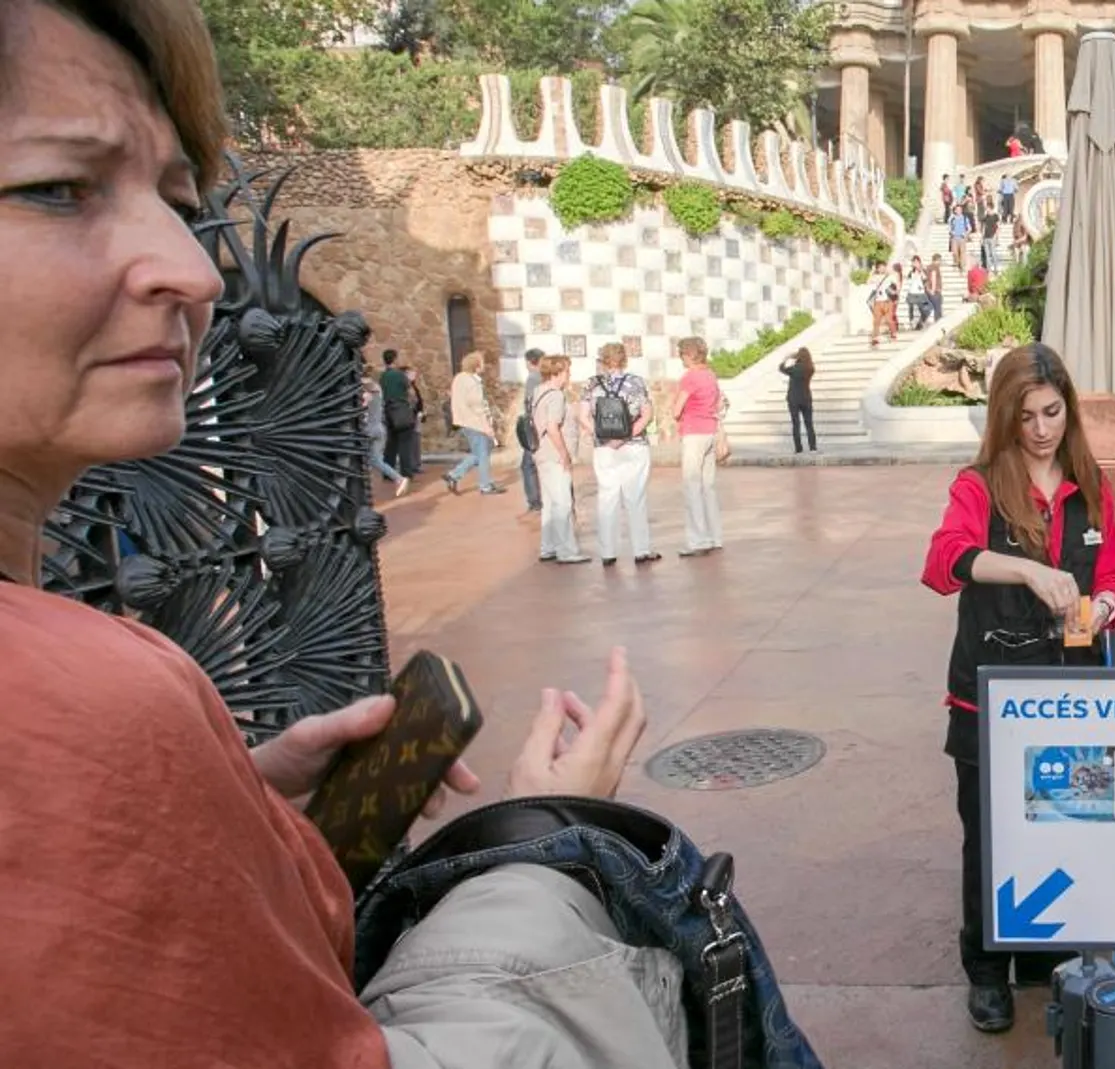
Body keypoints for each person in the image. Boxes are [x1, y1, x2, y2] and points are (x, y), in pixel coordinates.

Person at [0, 2, 668, 1064]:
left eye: (179, 199)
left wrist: (243, 812)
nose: (195, 268)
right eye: (55, 189)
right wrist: (545, 839)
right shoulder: (67, 694)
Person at [922, 344, 1115, 1036]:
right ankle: (987, 971)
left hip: (1070, 695)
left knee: (1061, 829)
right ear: (1003, 416)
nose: (1040, 428)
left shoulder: (1089, 482)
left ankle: (1045, 961)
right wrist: (1025, 570)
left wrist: (1101, 607)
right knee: (989, 837)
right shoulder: (979, 483)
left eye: (1051, 411)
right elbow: (943, 560)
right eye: (1025, 415)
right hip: (989, 697)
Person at [581, 342, 658, 566]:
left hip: (604, 448)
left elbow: (583, 417)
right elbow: (647, 414)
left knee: (607, 498)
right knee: (635, 498)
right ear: (624, 359)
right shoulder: (635, 382)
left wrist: (603, 437)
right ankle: (641, 550)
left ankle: (608, 553)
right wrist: (625, 436)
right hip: (634, 445)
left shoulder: (591, 384)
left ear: (602, 360)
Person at [529, 355, 588, 564]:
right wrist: (564, 454)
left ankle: (549, 546)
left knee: (550, 503)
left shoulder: (538, 392)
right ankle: (567, 550)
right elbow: (553, 427)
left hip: (541, 454)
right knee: (562, 503)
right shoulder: (555, 396)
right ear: (557, 373)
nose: (569, 375)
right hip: (553, 456)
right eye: (566, 371)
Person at [671, 337, 725, 557]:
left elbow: (676, 410)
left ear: (688, 354)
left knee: (692, 485)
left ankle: (697, 540)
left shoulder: (690, 378)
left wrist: (676, 410)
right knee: (708, 486)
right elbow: (719, 403)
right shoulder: (710, 375)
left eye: (682, 354)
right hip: (710, 431)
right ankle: (714, 536)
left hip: (693, 432)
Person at [444, 351, 501, 495]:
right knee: (482, 455)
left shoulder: (459, 378)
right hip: (475, 423)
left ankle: (454, 475)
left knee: (479, 454)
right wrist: (487, 427)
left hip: (464, 421)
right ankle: (485, 486)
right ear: (476, 366)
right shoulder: (472, 382)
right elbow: (478, 407)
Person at [378, 348, 421, 479]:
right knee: (405, 442)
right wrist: (413, 404)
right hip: (401, 409)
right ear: (395, 359)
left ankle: (387, 472)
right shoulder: (399, 375)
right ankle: (406, 473)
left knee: (391, 443)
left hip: (388, 410)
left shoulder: (383, 376)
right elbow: (411, 393)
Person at [518, 348, 544, 512]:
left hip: (534, 426)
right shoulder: (544, 377)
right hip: (540, 424)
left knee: (528, 465)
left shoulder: (533, 379)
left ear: (529, 362)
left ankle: (534, 500)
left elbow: (530, 404)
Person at [781, 346, 817, 454]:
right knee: (809, 424)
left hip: (793, 399)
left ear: (799, 356)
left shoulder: (794, 369)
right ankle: (813, 448)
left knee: (796, 424)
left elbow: (781, 369)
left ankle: (798, 448)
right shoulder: (810, 369)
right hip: (806, 398)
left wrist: (786, 358)